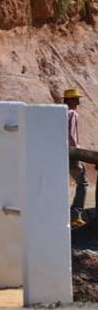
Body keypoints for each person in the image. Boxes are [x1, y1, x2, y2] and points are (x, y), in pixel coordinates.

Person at [65, 88, 89, 228]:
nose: (78, 101)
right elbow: (72, 136)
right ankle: (75, 215)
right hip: (71, 153)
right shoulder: (72, 113)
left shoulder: (61, 113)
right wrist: (77, 159)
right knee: (83, 183)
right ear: (69, 100)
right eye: (76, 99)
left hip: (60, 153)